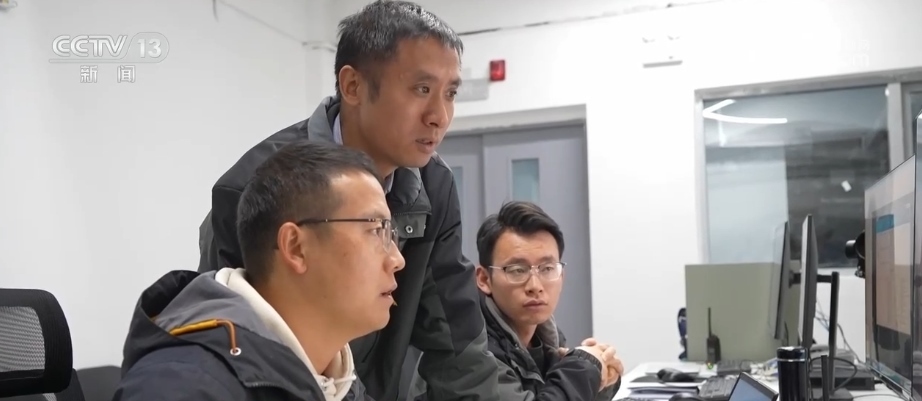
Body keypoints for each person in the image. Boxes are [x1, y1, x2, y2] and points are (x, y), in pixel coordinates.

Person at [195, 1, 501, 400]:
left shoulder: (433, 184)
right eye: (422, 89)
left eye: (451, 93)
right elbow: (241, 351)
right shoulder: (254, 189)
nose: (439, 116)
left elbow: (457, 343)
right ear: (353, 86)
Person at [114, 141, 405, 401]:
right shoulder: (183, 387)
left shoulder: (336, 379)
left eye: (390, 232)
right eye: (375, 230)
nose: (397, 259)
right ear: (296, 247)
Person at [454, 201, 624, 400]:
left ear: (561, 275)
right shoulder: (469, 350)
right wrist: (582, 369)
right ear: (484, 279)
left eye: (547, 269)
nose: (535, 286)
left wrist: (599, 378)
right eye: (517, 270)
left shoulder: (546, 338)